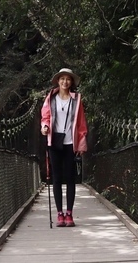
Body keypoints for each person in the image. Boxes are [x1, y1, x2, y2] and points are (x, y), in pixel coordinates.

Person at [40, 67, 88, 227]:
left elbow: (81, 122)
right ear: (58, 81)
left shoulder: (77, 99)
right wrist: (45, 126)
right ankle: (60, 214)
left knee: (70, 178)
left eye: (68, 79)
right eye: (62, 79)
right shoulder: (50, 98)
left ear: (71, 82)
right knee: (57, 178)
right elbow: (45, 116)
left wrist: (81, 142)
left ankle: (69, 214)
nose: (65, 81)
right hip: (54, 142)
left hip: (70, 143)